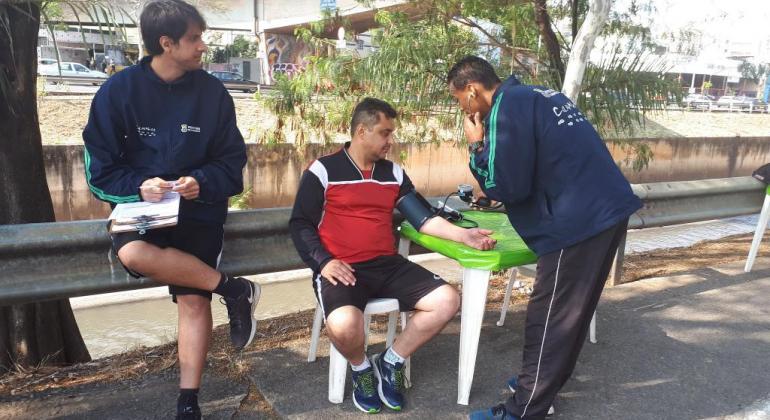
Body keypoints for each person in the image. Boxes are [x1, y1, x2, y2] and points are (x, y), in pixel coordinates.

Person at [82, 1, 257, 419]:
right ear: (167, 43)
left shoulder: (213, 93)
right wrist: (138, 186)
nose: (203, 47)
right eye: (194, 39)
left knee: (194, 302)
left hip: (199, 211)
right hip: (141, 210)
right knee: (132, 254)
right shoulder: (118, 91)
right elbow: (98, 169)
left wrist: (203, 182)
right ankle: (235, 289)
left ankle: (188, 401)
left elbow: (232, 162)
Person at [446, 56, 642, 420]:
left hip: (577, 222)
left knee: (549, 316)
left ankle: (524, 408)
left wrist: (476, 145)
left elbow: (506, 185)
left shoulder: (505, 109)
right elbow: (541, 164)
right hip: (606, 211)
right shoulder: (537, 95)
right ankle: (540, 385)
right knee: (571, 314)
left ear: (472, 90)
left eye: (460, 100)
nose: (463, 109)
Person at [289, 97, 497, 414]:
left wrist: (463, 235)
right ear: (362, 131)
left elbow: (423, 219)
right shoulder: (323, 170)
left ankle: (391, 360)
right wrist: (324, 261)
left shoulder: (394, 174)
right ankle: (360, 370)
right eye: (385, 133)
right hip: (341, 267)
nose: (390, 141)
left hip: (387, 264)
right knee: (345, 325)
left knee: (447, 300)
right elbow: (300, 224)